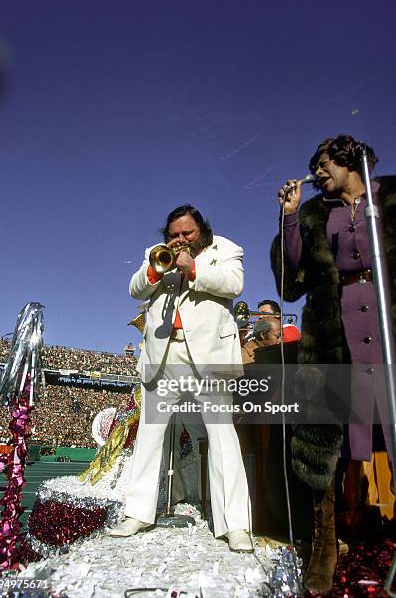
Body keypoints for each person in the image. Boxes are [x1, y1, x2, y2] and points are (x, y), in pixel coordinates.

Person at [271, 134, 396, 593]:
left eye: (323, 163)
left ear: (349, 160)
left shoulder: (391, 197)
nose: (317, 171)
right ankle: (324, 544)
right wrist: (288, 217)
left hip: (387, 325)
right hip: (333, 334)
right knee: (326, 439)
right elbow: (290, 282)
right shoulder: (315, 213)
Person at [110, 204, 253, 552]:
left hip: (209, 357)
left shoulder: (226, 249)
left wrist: (194, 269)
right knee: (149, 436)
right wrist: (157, 272)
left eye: (187, 234)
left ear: (201, 231)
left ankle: (235, 525)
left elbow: (234, 284)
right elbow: (134, 290)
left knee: (222, 437)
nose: (180, 240)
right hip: (165, 354)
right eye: (174, 235)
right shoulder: (155, 256)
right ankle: (138, 513)